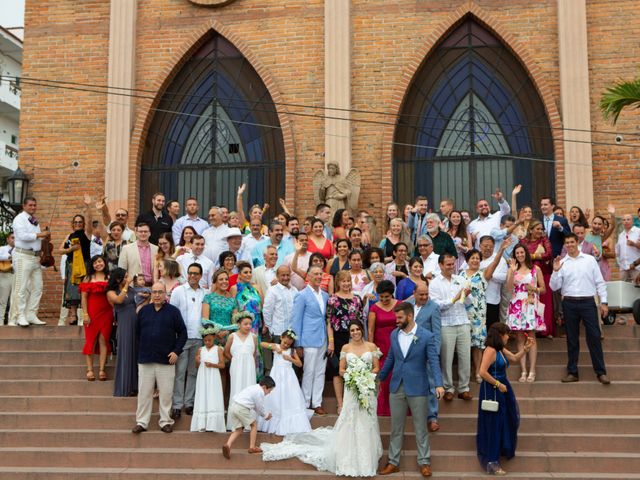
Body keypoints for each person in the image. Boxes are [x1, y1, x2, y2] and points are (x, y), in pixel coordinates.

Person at [262, 320, 382, 476]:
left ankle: (367, 459)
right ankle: (348, 458)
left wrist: (365, 377)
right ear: (349, 333)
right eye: (352, 330)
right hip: (352, 388)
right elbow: (341, 370)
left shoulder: (371, 347)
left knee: (367, 420)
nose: (355, 332)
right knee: (350, 420)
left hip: (367, 387)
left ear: (362, 330)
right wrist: (352, 377)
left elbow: (376, 367)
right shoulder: (346, 348)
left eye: (358, 329)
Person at [377, 302, 444, 477]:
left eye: (399, 318)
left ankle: (424, 462)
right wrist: (377, 378)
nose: (396, 321)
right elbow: (391, 358)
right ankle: (393, 462)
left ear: (409, 316)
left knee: (420, 427)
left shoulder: (427, 336)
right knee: (396, 427)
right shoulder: (394, 334)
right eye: (395, 317)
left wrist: (438, 383)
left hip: (418, 387)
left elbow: (434, 362)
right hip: (397, 386)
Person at [551, 233, 610, 384]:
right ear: (564, 245)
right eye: (567, 243)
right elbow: (554, 286)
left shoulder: (590, 260)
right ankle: (572, 372)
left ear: (577, 242)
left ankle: (601, 372)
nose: (569, 245)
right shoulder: (562, 263)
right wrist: (556, 270)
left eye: (572, 242)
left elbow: (600, 282)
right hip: (569, 303)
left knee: (594, 337)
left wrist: (604, 302)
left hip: (588, 302)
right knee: (572, 339)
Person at [477, 323, 532, 475]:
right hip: (492, 389)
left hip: (502, 387)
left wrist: (525, 349)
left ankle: (500, 449)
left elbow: (514, 358)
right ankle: (492, 461)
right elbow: (482, 372)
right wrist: (497, 384)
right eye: (507, 334)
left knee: (506, 419)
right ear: (500, 335)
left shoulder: (500, 349)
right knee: (494, 423)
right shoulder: (490, 350)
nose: (509, 337)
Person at [132, 283, 187, 434]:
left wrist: (176, 351)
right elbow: (137, 334)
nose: (157, 295)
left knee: (166, 393)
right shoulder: (144, 312)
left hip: (166, 360)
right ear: (151, 294)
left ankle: (165, 421)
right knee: (144, 392)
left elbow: (183, 333)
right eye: (154, 292)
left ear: (165, 295)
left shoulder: (173, 312)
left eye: (160, 292)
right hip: (146, 359)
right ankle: (142, 422)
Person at [429, 253, 473, 401]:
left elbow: (468, 303)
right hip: (445, 324)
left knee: (465, 356)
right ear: (440, 265)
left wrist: (466, 295)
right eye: (448, 264)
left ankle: (464, 388)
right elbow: (437, 306)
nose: (451, 267)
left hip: (463, 321)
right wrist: (454, 299)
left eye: (453, 264)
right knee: (447, 358)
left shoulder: (460, 279)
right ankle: (448, 388)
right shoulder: (434, 283)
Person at [459, 247, 506, 383]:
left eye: (477, 258)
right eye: (472, 258)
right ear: (467, 260)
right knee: (464, 343)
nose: (475, 260)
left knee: (478, 344)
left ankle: (479, 371)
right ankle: (465, 373)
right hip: (462, 313)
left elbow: (495, 262)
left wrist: (501, 249)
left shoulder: (483, 273)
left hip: (478, 314)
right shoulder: (460, 275)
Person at [169, 263, 206, 419]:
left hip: (199, 338)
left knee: (193, 372)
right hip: (182, 338)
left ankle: (189, 403)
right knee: (180, 372)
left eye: (196, 273)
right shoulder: (178, 291)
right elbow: (172, 315)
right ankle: (176, 405)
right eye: (190, 273)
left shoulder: (206, 292)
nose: (193, 276)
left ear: (200, 275)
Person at [292, 265, 330, 415]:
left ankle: (317, 402)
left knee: (320, 372)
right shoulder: (302, 295)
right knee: (309, 371)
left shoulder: (325, 295)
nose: (318, 277)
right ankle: (306, 402)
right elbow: (296, 320)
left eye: (320, 274)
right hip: (308, 338)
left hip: (323, 338)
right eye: (315, 274)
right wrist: (298, 343)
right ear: (308, 276)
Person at [505, 244, 546, 383]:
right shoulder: (512, 269)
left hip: (530, 304)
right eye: (517, 253)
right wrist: (511, 271)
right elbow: (509, 288)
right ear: (514, 255)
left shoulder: (536, 269)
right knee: (519, 338)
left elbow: (544, 289)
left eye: (522, 252)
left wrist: (534, 289)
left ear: (526, 253)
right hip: (516, 304)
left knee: (531, 337)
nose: (520, 255)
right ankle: (523, 370)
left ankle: (532, 370)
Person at [326, 270, 365, 414]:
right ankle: (340, 403)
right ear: (338, 283)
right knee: (338, 370)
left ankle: (354, 401)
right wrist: (330, 341)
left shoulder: (357, 299)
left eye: (348, 281)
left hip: (354, 336)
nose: (346, 284)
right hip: (337, 337)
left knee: (354, 368)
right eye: (343, 281)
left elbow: (361, 320)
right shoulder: (332, 299)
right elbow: (329, 322)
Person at [258, 329, 311, 435]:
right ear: (281, 338)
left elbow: (299, 364)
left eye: (288, 344)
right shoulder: (276, 346)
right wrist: (272, 347)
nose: (286, 345)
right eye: (284, 342)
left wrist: (290, 359)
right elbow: (262, 343)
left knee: (288, 395)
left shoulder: (292, 351)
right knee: (275, 395)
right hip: (276, 374)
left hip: (288, 376)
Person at [406, 284, 442, 432]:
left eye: (426, 294)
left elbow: (437, 333)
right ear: (414, 293)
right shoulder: (407, 305)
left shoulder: (433, 307)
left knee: (431, 384)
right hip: (408, 352)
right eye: (421, 295)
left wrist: (434, 354)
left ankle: (432, 417)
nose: (424, 297)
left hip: (426, 352)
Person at [79, 255, 113, 382]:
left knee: (104, 340)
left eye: (100, 261)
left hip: (107, 313)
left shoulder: (109, 278)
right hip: (92, 313)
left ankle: (102, 369)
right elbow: (83, 298)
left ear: (104, 262)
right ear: (92, 265)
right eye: (95, 263)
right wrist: (85, 314)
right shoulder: (88, 278)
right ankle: (90, 370)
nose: (98, 264)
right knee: (91, 341)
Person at [223, 376, 275, 459]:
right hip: (241, 408)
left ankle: (227, 445)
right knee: (254, 425)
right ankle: (252, 447)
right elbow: (259, 407)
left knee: (238, 429)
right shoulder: (260, 392)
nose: (269, 393)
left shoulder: (253, 387)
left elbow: (254, 405)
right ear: (264, 387)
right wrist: (265, 415)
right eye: (269, 390)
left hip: (233, 407)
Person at [368, 279, 399, 416]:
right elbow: (370, 330)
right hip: (380, 346)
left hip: (396, 344)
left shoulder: (400, 305)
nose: (384, 299)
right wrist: (371, 350)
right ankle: (384, 409)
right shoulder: (374, 308)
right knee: (384, 377)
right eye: (381, 297)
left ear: (392, 294)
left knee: (396, 375)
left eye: (387, 296)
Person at [106, 268, 138, 397]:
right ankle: (124, 386)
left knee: (135, 353)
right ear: (118, 279)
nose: (128, 279)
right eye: (125, 277)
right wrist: (126, 285)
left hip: (135, 321)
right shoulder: (111, 292)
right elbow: (119, 300)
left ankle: (135, 386)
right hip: (124, 322)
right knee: (126, 352)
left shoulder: (132, 290)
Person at [224, 311, 258, 430]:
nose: (248, 326)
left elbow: (254, 354)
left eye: (250, 324)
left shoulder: (253, 337)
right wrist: (235, 360)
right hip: (236, 366)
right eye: (245, 324)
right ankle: (234, 423)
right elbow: (226, 352)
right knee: (236, 390)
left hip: (249, 367)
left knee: (249, 391)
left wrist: (249, 362)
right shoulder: (232, 336)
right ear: (239, 324)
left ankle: (249, 424)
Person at [190, 322, 226, 433]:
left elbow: (222, 365)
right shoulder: (201, 350)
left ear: (214, 338)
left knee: (213, 396)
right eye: (205, 340)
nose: (207, 342)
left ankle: (214, 424)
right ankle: (202, 423)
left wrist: (212, 365)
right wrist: (197, 361)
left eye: (209, 340)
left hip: (213, 376)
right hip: (203, 376)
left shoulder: (218, 349)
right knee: (203, 396)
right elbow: (197, 365)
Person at [520, 220, 554, 336]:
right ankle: (529, 328)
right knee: (529, 301)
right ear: (530, 230)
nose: (540, 231)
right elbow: (520, 255)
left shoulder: (544, 240)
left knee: (545, 302)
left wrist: (532, 256)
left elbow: (549, 254)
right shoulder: (523, 241)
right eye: (537, 229)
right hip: (528, 275)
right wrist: (537, 257)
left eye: (541, 229)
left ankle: (545, 330)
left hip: (543, 274)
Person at [59, 211, 92, 326]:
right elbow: (60, 250)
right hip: (71, 265)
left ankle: (84, 315)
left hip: (84, 266)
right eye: (75, 222)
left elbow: (90, 221)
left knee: (83, 290)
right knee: (71, 290)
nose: (78, 224)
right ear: (72, 224)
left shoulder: (87, 234)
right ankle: (73, 315)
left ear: (83, 224)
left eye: (80, 222)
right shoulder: (69, 236)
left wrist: (88, 207)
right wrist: (70, 250)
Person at [262, 265, 298, 370]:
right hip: (279, 333)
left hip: (292, 333)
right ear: (277, 276)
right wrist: (271, 328)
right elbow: (267, 311)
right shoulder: (273, 290)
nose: (286, 277)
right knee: (279, 363)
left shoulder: (294, 290)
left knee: (291, 363)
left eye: (287, 275)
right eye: (283, 275)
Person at [233, 261, 264, 375]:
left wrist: (264, 324)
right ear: (239, 274)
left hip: (256, 324)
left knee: (255, 352)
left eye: (250, 272)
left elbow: (262, 306)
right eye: (245, 272)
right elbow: (234, 308)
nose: (248, 274)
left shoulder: (256, 287)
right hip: (241, 325)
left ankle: (255, 379)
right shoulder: (235, 288)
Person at [615, 213, 640, 282]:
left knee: (637, 290)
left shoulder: (638, 231)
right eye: (624, 220)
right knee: (623, 290)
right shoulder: (621, 235)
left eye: (628, 219)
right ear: (622, 222)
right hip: (624, 268)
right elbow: (618, 252)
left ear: (632, 221)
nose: (626, 221)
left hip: (636, 268)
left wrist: (634, 244)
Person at [0, 233, 14, 324]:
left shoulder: (20, 250)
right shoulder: (2, 248)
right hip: (5, 275)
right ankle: (0, 321)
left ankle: (11, 321)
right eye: (12, 238)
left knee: (14, 300)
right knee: (3, 300)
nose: (14, 240)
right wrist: (10, 257)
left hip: (16, 275)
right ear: (7, 239)